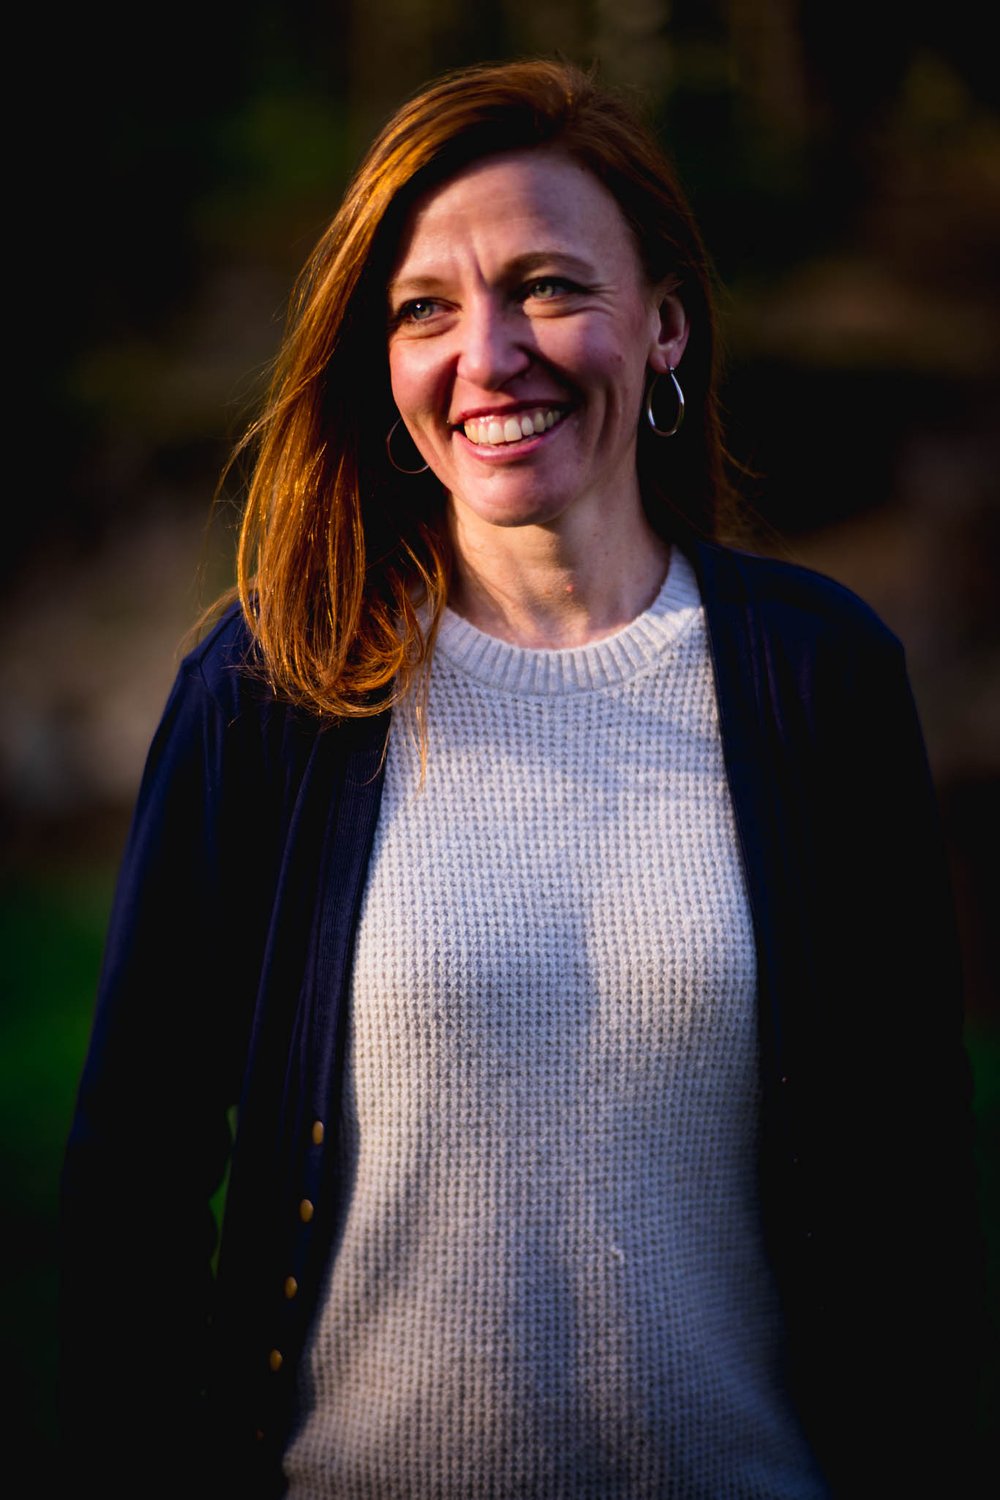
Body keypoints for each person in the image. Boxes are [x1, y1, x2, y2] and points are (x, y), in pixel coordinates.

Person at [61, 59, 980, 1499]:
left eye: (551, 287)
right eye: (427, 308)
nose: (487, 356)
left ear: (666, 322)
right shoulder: (269, 687)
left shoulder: (825, 681)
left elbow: (919, 1192)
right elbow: (134, 1189)